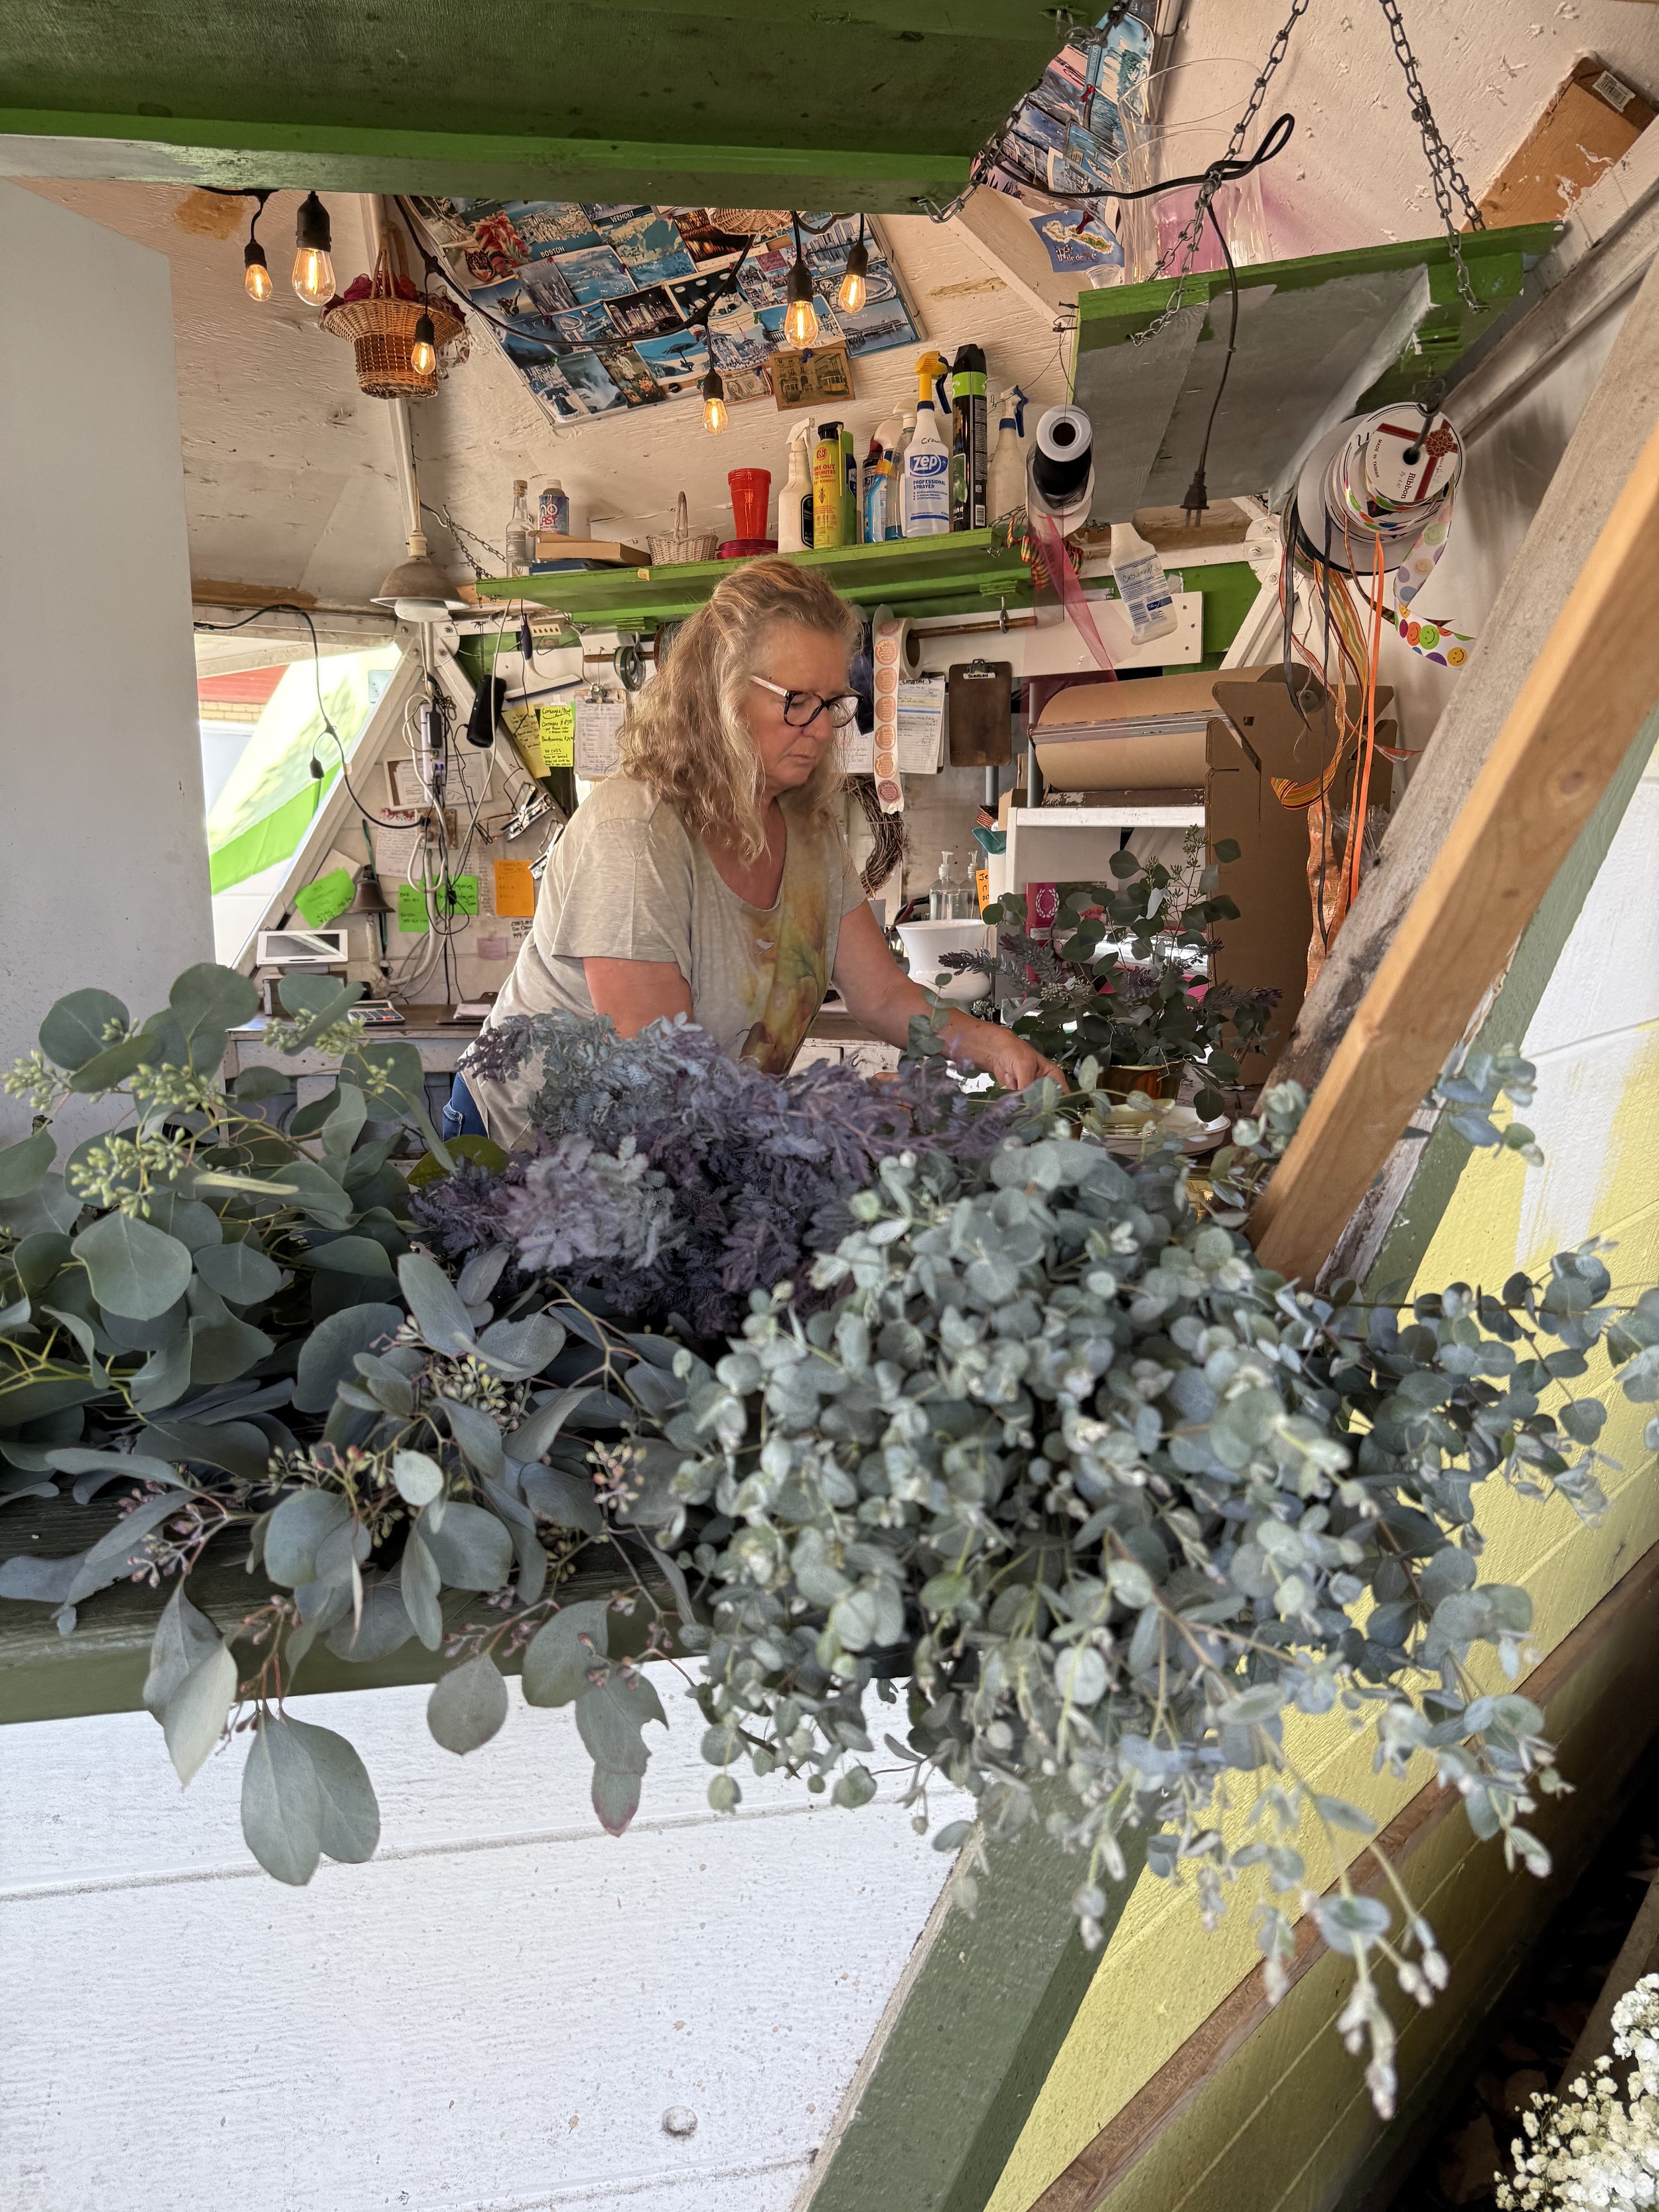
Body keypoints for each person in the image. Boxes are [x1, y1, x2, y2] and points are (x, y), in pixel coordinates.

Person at [449, 557, 1059, 1147]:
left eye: (834, 703)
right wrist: (834, 1106)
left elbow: (881, 996)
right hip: (521, 1150)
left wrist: (991, 1045)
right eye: (797, 701)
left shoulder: (808, 828)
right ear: (721, 697)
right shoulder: (633, 835)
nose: (821, 728)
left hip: (682, 1152)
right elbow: (662, 1081)